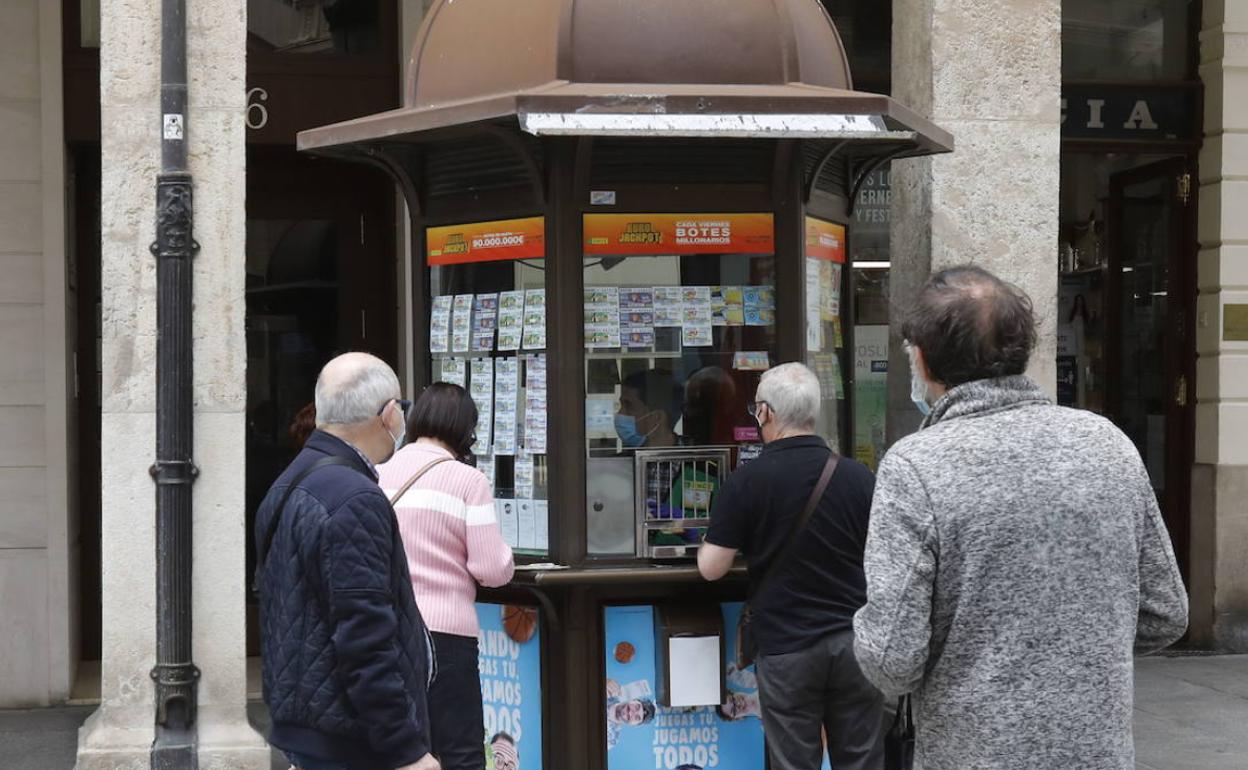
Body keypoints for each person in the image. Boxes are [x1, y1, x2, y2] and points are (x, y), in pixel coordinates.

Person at [853, 266, 1189, 770]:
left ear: (920, 358)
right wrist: (1080, 646)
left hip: (972, 754)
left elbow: (891, 661)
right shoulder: (1108, 445)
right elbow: (1166, 613)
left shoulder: (917, 466)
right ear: (1021, 349)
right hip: (1098, 752)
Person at [254, 352, 438, 770]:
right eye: (402, 408)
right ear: (389, 414)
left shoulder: (290, 482)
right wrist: (406, 750)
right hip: (352, 742)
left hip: (311, 729)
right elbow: (364, 636)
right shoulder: (354, 497)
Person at [699, 362, 883, 770]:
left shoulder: (747, 481)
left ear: (765, 412)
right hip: (854, 644)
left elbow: (712, 568)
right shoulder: (858, 477)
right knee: (862, 760)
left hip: (787, 646)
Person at [378, 382, 515, 770]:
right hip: (446, 636)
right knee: (460, 751)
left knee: (403, 748)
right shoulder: (468, 481)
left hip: (389, 629)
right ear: (466, 428)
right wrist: (508, 556)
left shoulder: (379, 472)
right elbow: (492, 570)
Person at [615, 368, 684, 447]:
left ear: (657, 417)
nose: (620, 413)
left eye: (629, 405)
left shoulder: (691, 453)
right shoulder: (620, 456)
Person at [605, 678, 657, 750]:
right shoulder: (609, 689)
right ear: (633, 700)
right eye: (637, 707)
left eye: (637, 717)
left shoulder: (611, 739)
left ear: (634, 725)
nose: (631, 712)